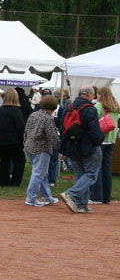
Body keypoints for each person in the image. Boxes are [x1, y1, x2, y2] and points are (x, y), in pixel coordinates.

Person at [59, 86, 104, 214]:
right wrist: (99, 140)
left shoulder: (69, 107)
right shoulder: (90, 109)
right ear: (89, 94)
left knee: (80, 174)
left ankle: (82, 204)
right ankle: (71, 194)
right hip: (88, 146)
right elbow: (94, 130)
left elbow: (62, 127)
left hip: (72, 146)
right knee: (91, 174)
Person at [23, 95, 60, 206]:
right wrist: (60, 147)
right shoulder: (48, 118)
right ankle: (31, 198)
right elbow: (52, 136)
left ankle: (47, 196)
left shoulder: (33, 115)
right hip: (42, 148)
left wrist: (25, 143)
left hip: (29, 146)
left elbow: (26, 131)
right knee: (39, 173)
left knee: (41, 172)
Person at [89, 87, 118, 205]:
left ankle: (96, 196)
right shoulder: (115, 107)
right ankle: (106, 197)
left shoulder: (99, 106)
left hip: (101, 140)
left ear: (100, 95)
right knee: (107, 169)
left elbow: (94, 120)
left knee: (97, 168)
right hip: (111, 140)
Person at [0, 88, 26, 187]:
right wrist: (23, 139)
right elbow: (20, 126)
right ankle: (15, 182)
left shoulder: (0, 110)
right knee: (19, 161)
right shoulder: (16, 110)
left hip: (2, 139)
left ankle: (3, 182)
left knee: (4, 161)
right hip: (14, 140)